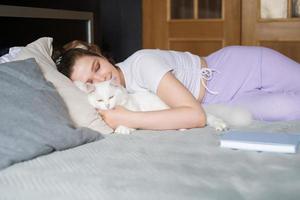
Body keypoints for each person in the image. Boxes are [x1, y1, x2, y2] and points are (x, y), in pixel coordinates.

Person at [54, 41, 300, 130]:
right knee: (293, 110)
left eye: (97, 67)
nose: (102, 80)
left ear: (103, 57)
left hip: (241, 68)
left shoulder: (141, 63)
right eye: (90, 82)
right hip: (227, 102)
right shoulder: (118, 97)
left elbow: (194, 116)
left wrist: (126, 118)